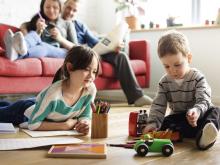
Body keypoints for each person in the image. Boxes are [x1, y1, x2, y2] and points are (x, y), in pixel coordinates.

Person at [52, 0, 153, 107]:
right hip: (79, 55)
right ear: (63, 7)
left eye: (74, 10)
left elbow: (95, 42)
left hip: (93, 53)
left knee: (121, 56)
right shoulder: (57, 24)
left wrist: (112, 47)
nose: (70, 12)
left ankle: (137, 97)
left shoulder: (79, 25)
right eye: (68, 8)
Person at [143, 30, 220, 150]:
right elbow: (158, 105)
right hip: (180, 119)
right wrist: (153, 123)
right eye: (166, 66)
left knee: (215, 111)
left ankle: (205, 136)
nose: (172, 70)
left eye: (177, 65)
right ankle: (183, 133)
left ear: (189, 58)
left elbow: (204, 99)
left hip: (199, 117)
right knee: (165, 122)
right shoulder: (164, 82)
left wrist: (197, 111)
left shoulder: (197, 78)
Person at [0, 46, 100, 134]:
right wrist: (64, 126)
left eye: (94, 71)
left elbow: (85, 115)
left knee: (6, 105)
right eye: (86, 69)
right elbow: (33, 124)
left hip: (41, 105)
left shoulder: (90, 89)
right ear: (70, 68)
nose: (91, 76)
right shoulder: (53, 94)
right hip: (23, 112)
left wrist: (84, 123)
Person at [4, 0, 77, 61]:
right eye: (48, 7)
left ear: (60, 9)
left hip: (62, 52)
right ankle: (14, 49)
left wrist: (60, 38)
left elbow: (76, 48)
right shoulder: (38, 21)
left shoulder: (67, 24)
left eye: (55, 7)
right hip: (40, 48)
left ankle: (16, 53)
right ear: (42, 8)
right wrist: (38, 31)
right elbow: (24, 27)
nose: (51, 10)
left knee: (44, 46)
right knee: (34, 34)